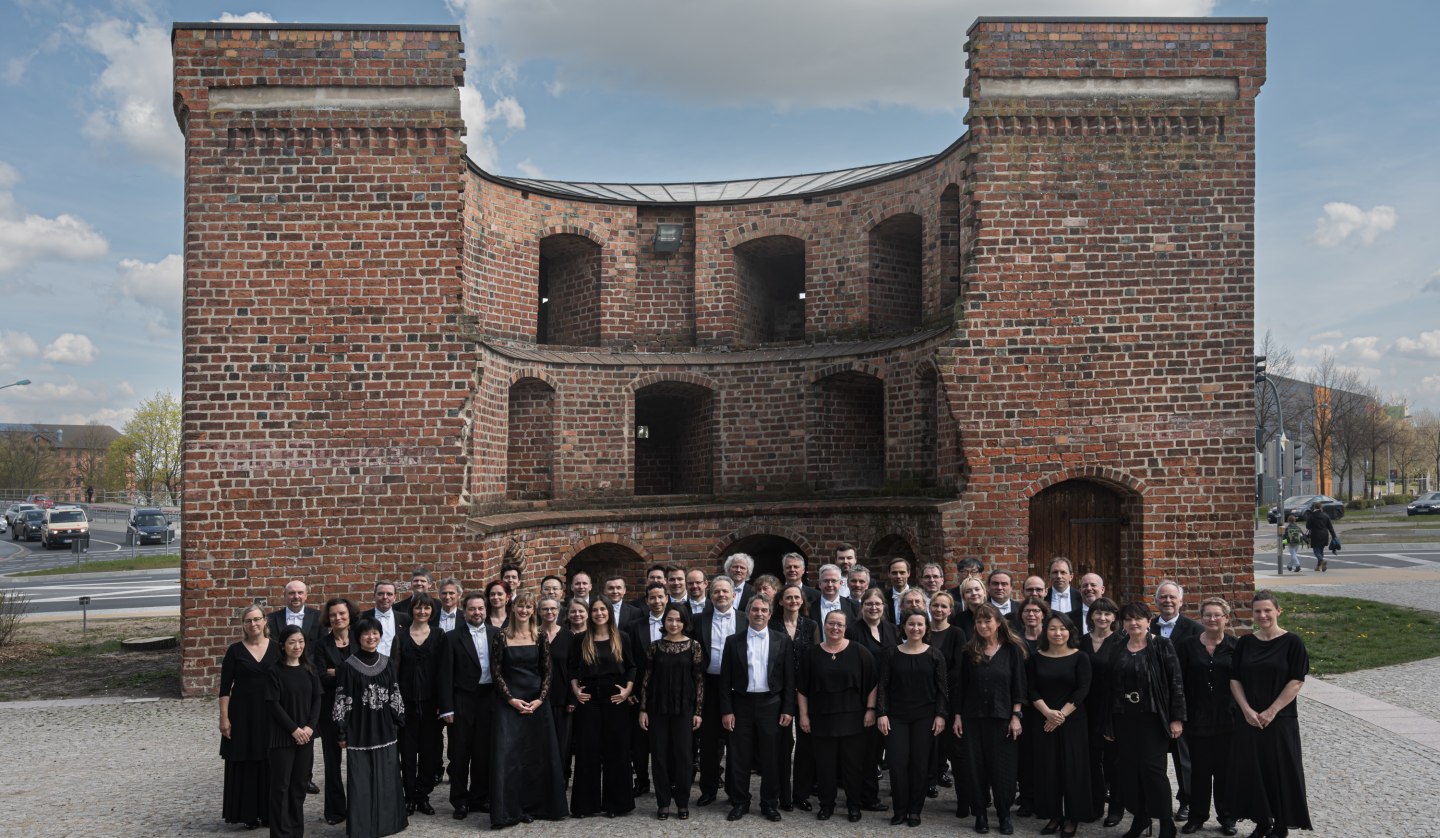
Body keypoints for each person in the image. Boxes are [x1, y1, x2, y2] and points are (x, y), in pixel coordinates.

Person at [1228, 591, 1311, 838]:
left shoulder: (1293, 642)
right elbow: (1234, 679)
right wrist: (1246, 710)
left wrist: (1272, 711)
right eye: (1257, 611)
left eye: (1267, 610)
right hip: (1249, 718)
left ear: (1278, 611)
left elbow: (1296, 680)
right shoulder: (1245, 643)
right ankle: (1261, 820)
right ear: (1252, 614)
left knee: (1281, 770)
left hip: (1280, 719)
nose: (1262, 615)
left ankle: (1281, 824)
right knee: (1253, 770)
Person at [1104, 602, 1185, 838]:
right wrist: (1109, 722)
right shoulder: (1118, 647)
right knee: (1130, 771)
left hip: (1153, 717)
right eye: (1128, 619)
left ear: (1149, 621)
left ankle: (1166, 822)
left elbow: (1176, 682)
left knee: (1152, 771)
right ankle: (1140, 819)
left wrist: (1176, 718)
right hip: (1124, 718)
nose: (1133, 623)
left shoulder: (1161, 645)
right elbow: (1110, 687)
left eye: (1139, 618)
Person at [491, 591, 568, 827]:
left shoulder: (540, 635)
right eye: (520, 607)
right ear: (513, 609)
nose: (524, 611)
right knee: (510, 756)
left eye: (528, 607)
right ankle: (510, 809)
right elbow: (496, 672)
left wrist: (540, 699)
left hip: (537, 703)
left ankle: (539, 806)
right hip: (510, 703)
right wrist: (511, 699)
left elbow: (547, 672)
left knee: (537, 756)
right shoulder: (501, 636)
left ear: (533, 611)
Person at [718, 595, 796, 822]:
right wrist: (727, 710)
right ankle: (740, 801)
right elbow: (725, 679)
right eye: (754, 610)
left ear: (770, 614)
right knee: (740, 756)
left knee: (771, 757)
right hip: (741, 704)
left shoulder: (782, 640)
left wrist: (788, 709)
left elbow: (790, 679)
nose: (759, 614)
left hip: (771, 705)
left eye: (763, 610)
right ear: (748, 613)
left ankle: (769, 803)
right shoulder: (733, 641)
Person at [798, 609, 877, 822]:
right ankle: (826, 805)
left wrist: (870, 710)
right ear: (824, 625)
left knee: (852, 765)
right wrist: (803, 716)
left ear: (845, 628)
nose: (835, 628)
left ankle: (854, 805)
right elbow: (802, 689)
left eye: (840, 625)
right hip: (821, 719)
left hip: (854, 718)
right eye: (831, 623)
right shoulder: (812, 654)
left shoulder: (860, 652)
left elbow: (873, 683)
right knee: (825, 766)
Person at [955, 603, 1027, 836]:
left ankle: (1004, 815)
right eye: (979, 621)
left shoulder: (1012, 650)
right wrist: (957, 716)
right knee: (975, 768)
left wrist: (1016, 715)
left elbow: (1019, 684)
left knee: (1003, 768)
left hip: (1002, 718)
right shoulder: (968, 651)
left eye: (988, 621)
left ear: (998, 623)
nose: (983, 625)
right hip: (973, 718)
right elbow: (960, 687)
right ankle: (981, 815)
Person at [333, 617, 407, 838]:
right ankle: (362, 827)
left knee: (387, 775)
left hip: (385, 728)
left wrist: (398, 720)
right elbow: (341, 699)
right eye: (366, 633)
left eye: (375, 633)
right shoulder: (348, 666)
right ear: (358, 637)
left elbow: (395, 692)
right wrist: (341, 730)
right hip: (360, 729)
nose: (371, 637)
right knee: (361, 778)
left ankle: (389, 822)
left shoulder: (387, 663)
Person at [876, 608, 948, 827]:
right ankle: (899, 810)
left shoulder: (935, 655)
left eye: (920, 624)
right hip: (896, 717)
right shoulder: (890, 654)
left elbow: (942, 689)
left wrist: (940, 715)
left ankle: (915, 810)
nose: (915, 628)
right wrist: (882, 713)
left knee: (919, 765)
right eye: (911, 624)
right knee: (897, 765)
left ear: (926, 628)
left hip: (924, 718)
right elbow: (883, 687)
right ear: (903, 627)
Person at [1026, 611, 1095, 837]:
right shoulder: (1036, 657)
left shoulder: (1080, 657)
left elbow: (1083, 689)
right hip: (1043, 719)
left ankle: (1072, 817)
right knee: (1048, 769)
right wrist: (1047, 713)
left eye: (1063, 628)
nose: (1058, 633)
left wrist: (1060, 716)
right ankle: (1054, 814)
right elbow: (1031, 688)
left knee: (1073, 769)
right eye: (1053, 628)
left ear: (1070, 632)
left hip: (1073, 720)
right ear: (1045, 631)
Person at [570, 595, 638, 818]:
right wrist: (575, 690)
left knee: (616, 751)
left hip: (614, 699)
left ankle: (616, 804)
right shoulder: (580, 639)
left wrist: (628, 690)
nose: (599, 613)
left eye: (603, 610)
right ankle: (585, 805)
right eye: (595, 610)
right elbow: (571, 669)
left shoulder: (622, 638)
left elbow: (632, 667)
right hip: (589, 698)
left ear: (609, 612)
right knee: (587, 750)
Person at [1176, 598, 1238, 836]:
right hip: (1197, 718)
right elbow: (1178, 682)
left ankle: (1227, 817)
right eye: (1208, 615)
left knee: (1225, 771)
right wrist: (1179, 715)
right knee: (1199, 771)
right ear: (1201, 618)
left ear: (1226, 619)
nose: (1212, 620)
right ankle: (1197, 816)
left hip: (1227, 718)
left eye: (1217, 615)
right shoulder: (1188, 646)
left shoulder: (1236, 646)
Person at [638, 603, 704, 821]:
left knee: (684, 756)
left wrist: (698, 711)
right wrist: (643, 710)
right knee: (659, 755)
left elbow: (699, 681)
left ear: (684, 622)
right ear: (664, 622)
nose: (673, 624)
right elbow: (646, 680)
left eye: (678, 620)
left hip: (684, 709)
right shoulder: (655, 647)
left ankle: (682, 802)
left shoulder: (694, 646)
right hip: (658, 709)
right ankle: (663, 802)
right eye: (669, 619)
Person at [436, 592, 499, 820]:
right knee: (460, 753)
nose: (477, 613)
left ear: (486, 610)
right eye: (472, 609)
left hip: (489, 698)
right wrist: (447, 707)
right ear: (465, 611)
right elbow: (444, 674)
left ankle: (479, 798)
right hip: (462, 699)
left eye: (480, 609)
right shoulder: (452, 637)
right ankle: (460, 800)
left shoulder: (496, 634)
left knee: (484, 753)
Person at [220, 604, 281, 830]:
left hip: (270, 713)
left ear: (265, 621)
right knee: (245, 762)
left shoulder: (277, 648)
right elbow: (225, 688)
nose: (253, 624)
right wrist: (224, 718)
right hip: (242, 714)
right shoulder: (235, 651)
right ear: (243, 625)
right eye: (248, 621)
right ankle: (247, 813)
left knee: (270, 762)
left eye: (257, 619)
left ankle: (268, 812)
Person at [266, 624, 321, 838]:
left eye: (300, 642)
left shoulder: (310, 669)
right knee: (281, 787)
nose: (297, 646)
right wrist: (294, 729)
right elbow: (273, 705)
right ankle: (280, 833)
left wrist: (309, 727)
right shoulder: (274, 671)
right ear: (282, 645)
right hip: (282, 737)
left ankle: (296, 831)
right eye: (291, 642)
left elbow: (317, 699)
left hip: (306, 736)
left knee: (299, 786)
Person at [848, 586, 898, 814]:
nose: (874, 607)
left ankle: (883, 794)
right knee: (864, 752)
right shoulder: (853, 631)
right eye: (869, 604)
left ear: (884, 607)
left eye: (878, 604)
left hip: (889, 697)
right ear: (862, 606)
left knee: (880, 750)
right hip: (861, 699)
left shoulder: (892, 630)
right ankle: (861, 798)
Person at [691, 575, 740, 806]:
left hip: (737, 688)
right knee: (709, 742)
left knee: (736, 742)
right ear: (710, 596)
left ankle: (734, 790)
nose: (721, 595)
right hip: (709, 685)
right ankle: (708, 789)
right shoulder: (698, 619)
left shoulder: (745, 619)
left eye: (725, 591)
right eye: (717, 592)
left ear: (734, 595)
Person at [1152, 581, 1199, 819]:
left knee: (1184, 759)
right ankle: (1157, 800)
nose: (1167, 601)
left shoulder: (1194, 629)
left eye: (1172, 597)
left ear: (1181, 601)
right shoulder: (1147, 626)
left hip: (1183, 700)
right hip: (1153, 703)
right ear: (1156, 600)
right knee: (1155, 755)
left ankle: (1187, 801)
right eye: (1163, 597)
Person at [394, 592, 443, 816]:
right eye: (418, 608)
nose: (422, 612)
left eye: (426, 608)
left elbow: (444, 671)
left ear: (432, 611)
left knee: (429, 753)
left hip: (431, 704)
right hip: (408, 704)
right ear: (411, 610)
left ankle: (423, 795)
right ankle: (409, 796)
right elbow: (395, 672)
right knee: (408, 751)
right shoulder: (401, 637)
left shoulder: (439, 635)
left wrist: (443, 703)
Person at [771, 582, 818, 812]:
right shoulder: (772, 625)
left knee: (806, 744)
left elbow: (818, 656)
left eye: (796, 597)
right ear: (780, 601)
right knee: (782, 744)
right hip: (779, 691)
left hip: (806, 690)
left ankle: (801, 793)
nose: (792, 601)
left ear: (802, 601)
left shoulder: (811, 626)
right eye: (788, 597)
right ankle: (783, 795)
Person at [313, 597, 357, 826]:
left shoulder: (360, 639)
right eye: (333, 615)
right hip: (330, 710)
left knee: (358, 761)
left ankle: (359, 807)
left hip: (359, 710)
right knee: (332, 763)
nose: (338, 618)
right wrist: (348, 671)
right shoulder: (322, 645)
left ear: (349, 615)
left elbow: (368, 670)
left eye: (342, 614)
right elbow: (320, 677)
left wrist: (336, 671)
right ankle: (335, 810)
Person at [1081, 597, 1123, 827]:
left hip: (1113, 709)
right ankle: (1095, 804)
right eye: (1098, 613)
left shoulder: (1121, 641)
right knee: (1091, 759)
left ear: (1114, 618)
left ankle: (1116, 808)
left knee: (1113, 760)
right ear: (1091, 616)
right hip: (1086, 708)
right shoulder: (1081, 641)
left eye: (1107, 614)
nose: (1102, 617)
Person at [627, 584, 671, 800]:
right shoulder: (635, 626)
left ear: (666, 598)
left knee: (665, 740)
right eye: (652, 598)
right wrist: (633, 689)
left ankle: (666, 782)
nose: (656, 601)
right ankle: (642, 781)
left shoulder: (675, 623)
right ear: (646, 601)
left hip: (667, 690)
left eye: (660, 597)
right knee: (640, 741)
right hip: (641, 690)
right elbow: (631, 660)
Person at [927, 591, 967, 808]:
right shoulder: (922, 630)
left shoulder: (957, 633)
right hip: (924, 694)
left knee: (945, 737)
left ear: (950, 610)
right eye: (935, 606)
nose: (939, 610)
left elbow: (958, 666)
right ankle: (929, 778)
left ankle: (941, 771)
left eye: (943, 606)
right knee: (928, 737)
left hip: (950, 693)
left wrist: (939, 683)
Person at [539, 596, 576, 780]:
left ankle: (561, 781)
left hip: (562, 699)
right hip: (538, 699)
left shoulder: (568, 636)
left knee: (562, 744)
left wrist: (572, 698)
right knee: (542, 744)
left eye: (553, 609)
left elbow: (572, 669)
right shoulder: (534, 634)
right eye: (545, 609)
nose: (549, 612)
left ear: (559, 611)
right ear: (539, 612)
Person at [361, 581, 409, 657]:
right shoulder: (362, 617)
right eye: (380, 594)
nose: (385, 597)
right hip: (369, 665)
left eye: (389, 594)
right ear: (374, 596)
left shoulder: (406, 619)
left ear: (395, 597)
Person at [267, 579, 322, 645]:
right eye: (292, 593)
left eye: (300, 593)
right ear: (285, 595)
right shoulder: (271, 619)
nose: (296, 596)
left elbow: (322, 646)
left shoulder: (319, 617)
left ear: (306, 595)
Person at [1045, 558, 1085, 629]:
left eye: (1063, 572)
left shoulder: (1081, 597)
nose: (1059, 576)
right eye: (1055, 572)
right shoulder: (1043, 597)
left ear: (1071, 576)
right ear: (1049, 576)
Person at [1303, 502, 1335, 572]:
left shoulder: (1311, 516)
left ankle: (1322, 561)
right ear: (1321, 508)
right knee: (1321, 551)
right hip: (1324, 534)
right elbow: (1330, 527)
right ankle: (1318, 567)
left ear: (1314, 508)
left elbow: (1308, 526)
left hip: (1315, 535)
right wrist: (1334, 536)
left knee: (1316, 551)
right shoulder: (1326, 515)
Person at [883, 557, 914, 624]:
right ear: (889, 574)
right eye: (894, 573)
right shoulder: (883, 598)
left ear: (908, 573)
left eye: (902, 572)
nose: (898, 576)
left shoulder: (917, 596)